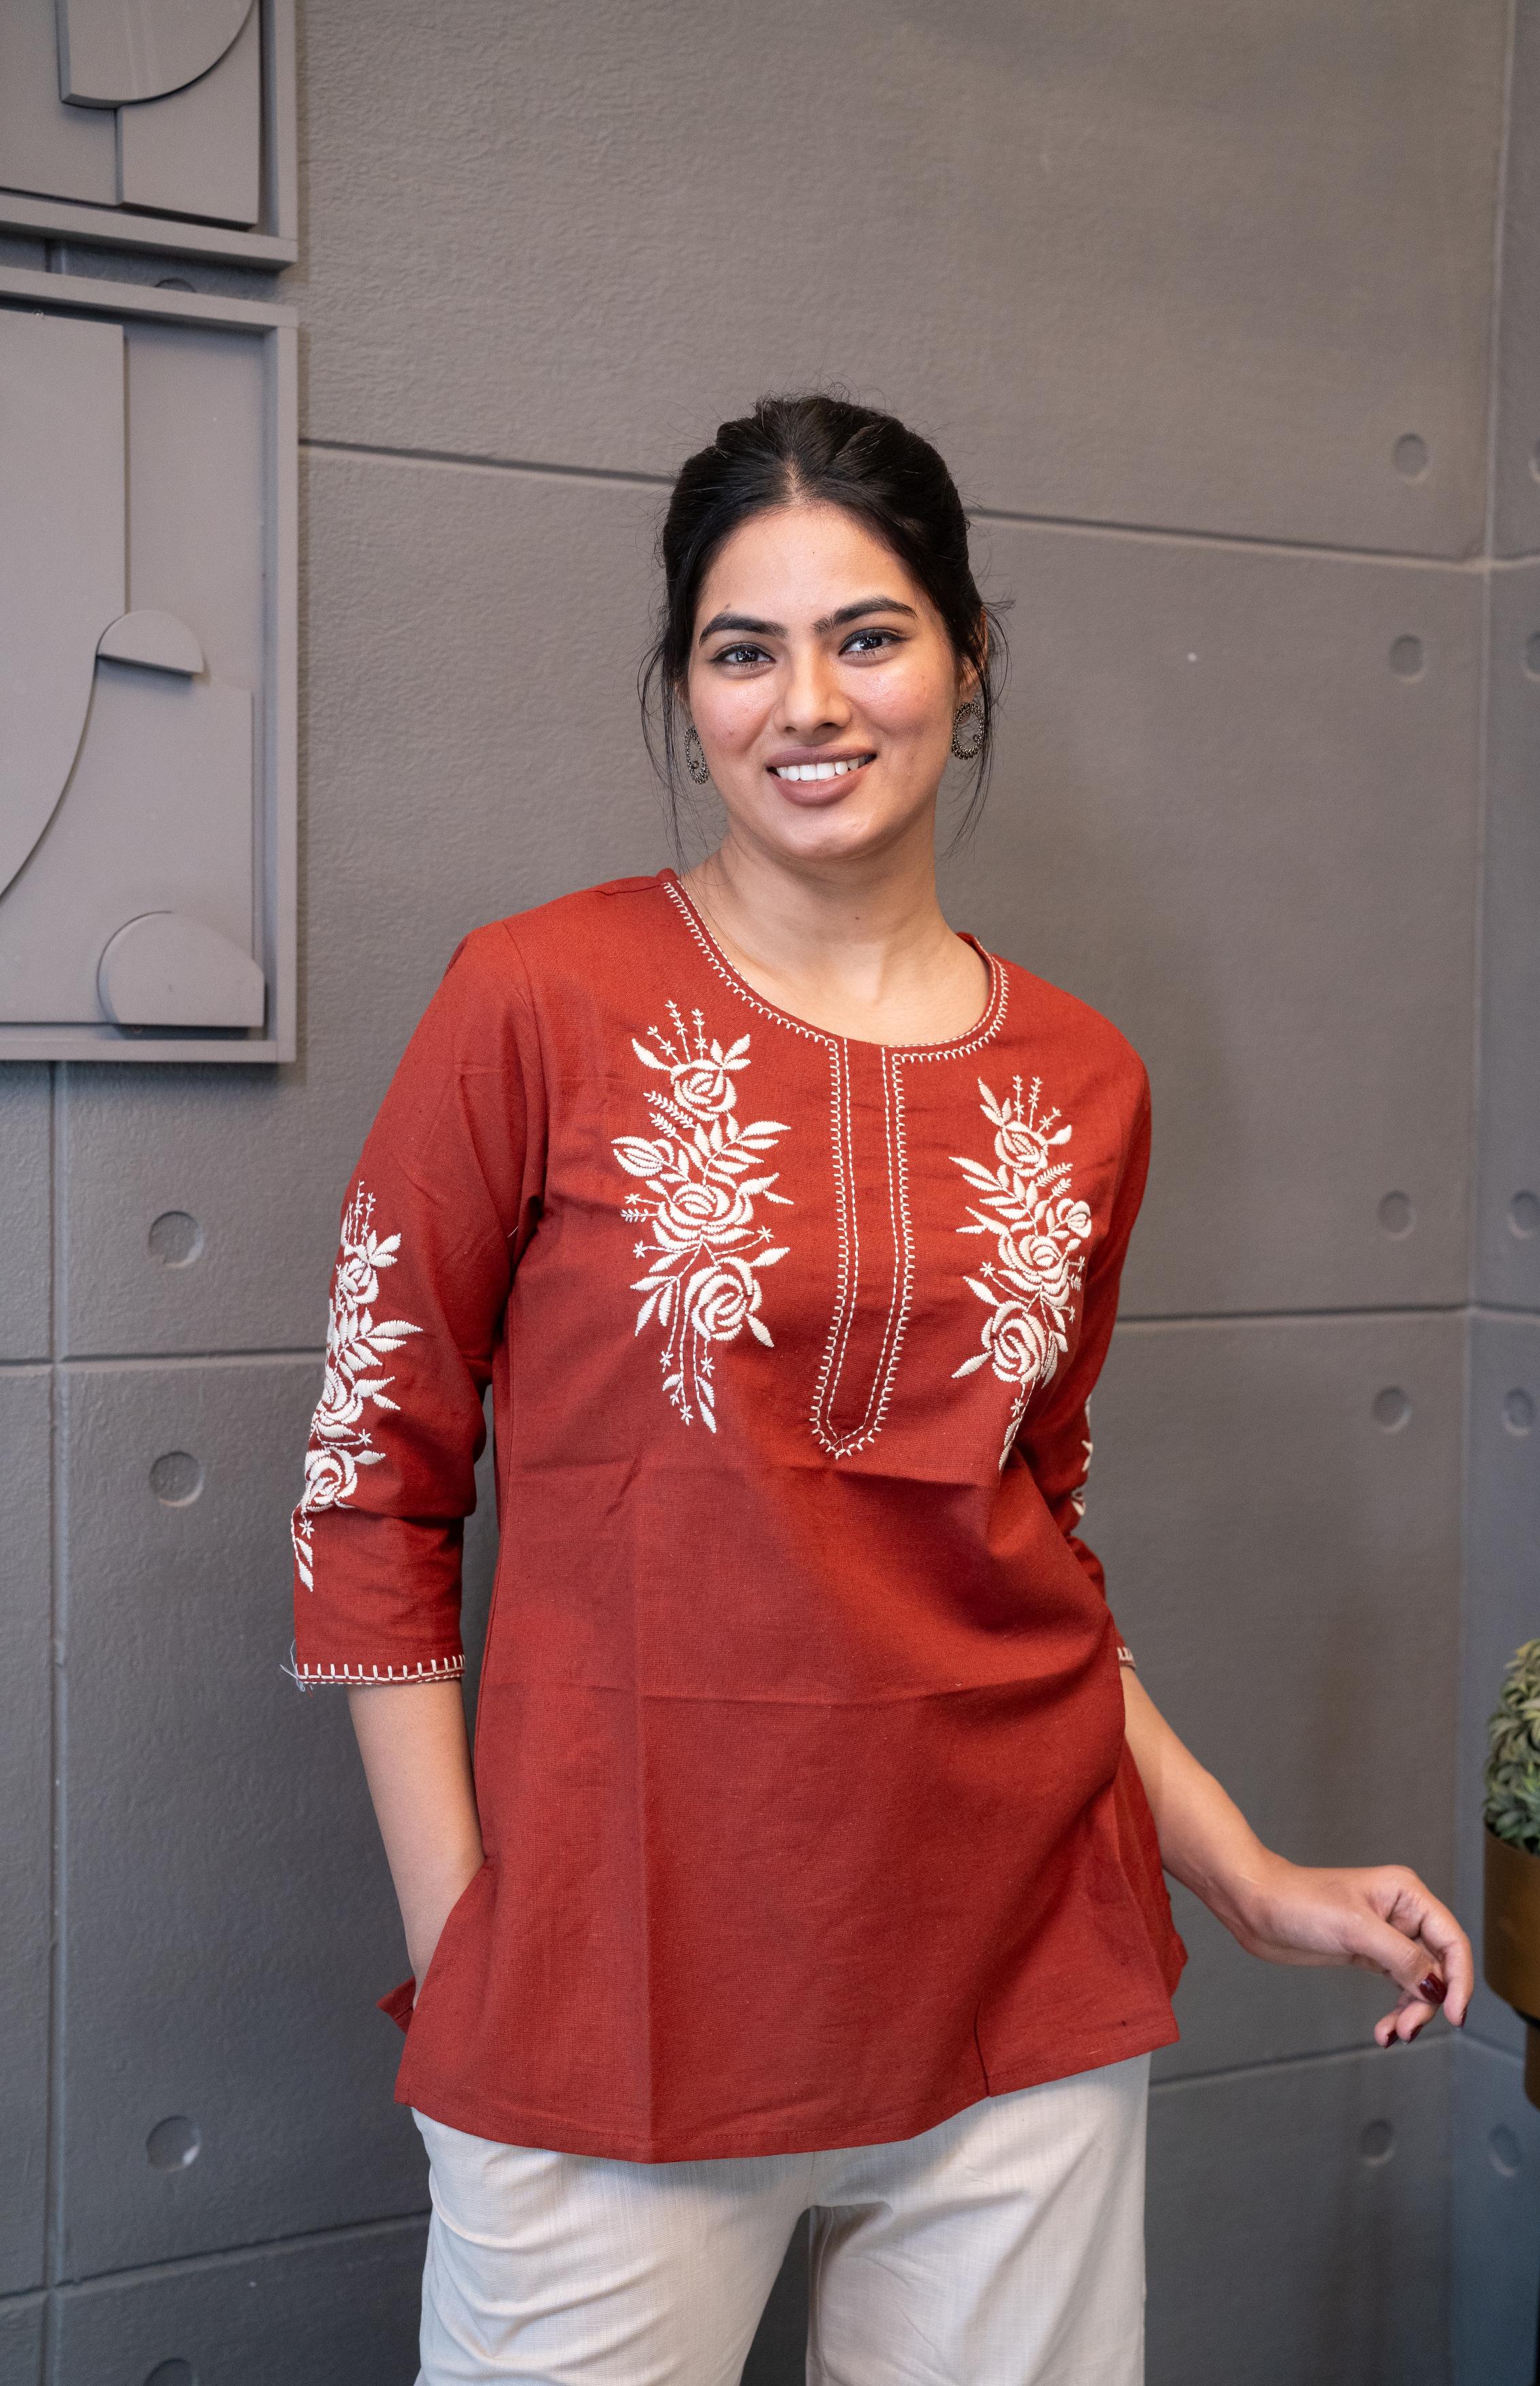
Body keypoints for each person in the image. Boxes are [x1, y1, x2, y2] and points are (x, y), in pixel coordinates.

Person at [288, 393, 1473, 2386]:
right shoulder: (535, 1002)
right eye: (744, 649)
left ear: (968, 655)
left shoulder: (1085, 1080)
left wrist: (1244, 1870)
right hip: (620, 1998)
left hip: (1021, 1989)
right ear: (685, 688)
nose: (808, 703)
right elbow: (364, 1493)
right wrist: (474, 1945)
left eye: (870, 633)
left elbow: (1027, 1545)